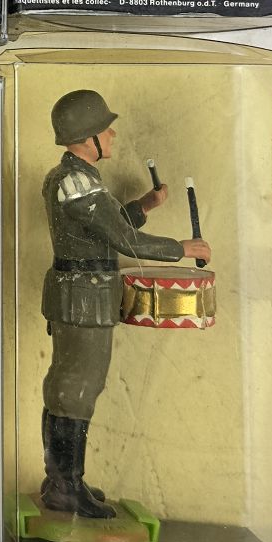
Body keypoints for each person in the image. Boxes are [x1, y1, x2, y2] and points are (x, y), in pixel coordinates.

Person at [40, 90, 211, 517]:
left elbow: (102, 227)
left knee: (69, 386)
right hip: (83, 298)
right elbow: (120, 238)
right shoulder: (76, 184)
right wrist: (181, 248)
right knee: (78, 389)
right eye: (105, 129)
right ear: (87, 138)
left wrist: (144, 206)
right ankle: (65, 486)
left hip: (80, 295)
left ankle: (61, 480)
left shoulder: (76, 179)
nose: (112, 134)